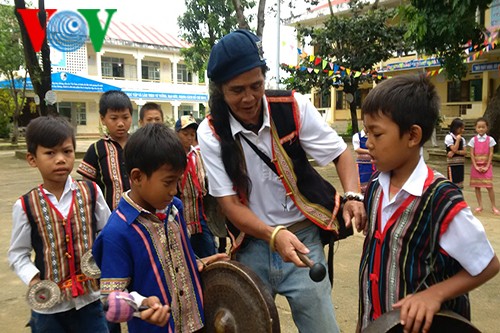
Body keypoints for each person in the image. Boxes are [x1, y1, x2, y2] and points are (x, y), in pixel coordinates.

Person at [197, 29, 366, 332]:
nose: (248, 98)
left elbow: (342, 154)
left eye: (256, 85)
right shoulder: (210, 131)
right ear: (220, 90)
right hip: (251, 245)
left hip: (304, 241)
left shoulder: (292, 106)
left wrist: (353, 195)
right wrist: (273, 236)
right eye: (237, 90)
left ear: (265, 78)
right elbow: (229, 205)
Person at [358, 74, 499, 332]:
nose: (369, 143)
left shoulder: (441, 199)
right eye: (367, 132)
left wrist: (435, 294)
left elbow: (487, 264)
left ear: (412, 136)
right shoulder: (376, 186)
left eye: (376, 134)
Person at [92, 123, 228, 333]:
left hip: (195, 323)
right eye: (168, 182)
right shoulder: (117, 233)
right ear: (137, 177)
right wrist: (142, 306)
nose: (174, 190)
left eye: (178, 181)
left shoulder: (175, 209)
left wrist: (197, 262)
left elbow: (178, 256)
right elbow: (109, 300)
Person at [8, 116, 111, 333]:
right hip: (49, 308)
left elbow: (107, 233)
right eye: (50, 153)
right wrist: (34, 279)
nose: (60, 159)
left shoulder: (91, 192)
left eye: (67, 151)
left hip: (90, 299)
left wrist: (104, 263)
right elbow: (18, 253)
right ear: (32, 159)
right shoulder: (26, 205)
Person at [77, 90, 132, 210]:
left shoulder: (139, 144)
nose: (120, 123)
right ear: (103, 119)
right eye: (114, 118)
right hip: (108, 216)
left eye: (125, 117)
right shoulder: (96, 149)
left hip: (139, 214)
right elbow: (87, 187)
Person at [175, 115, 217, 257]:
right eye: (185, 134)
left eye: (192, 134)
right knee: (186, 251)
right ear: (176, 134)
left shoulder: (198, 154)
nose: (189, 137)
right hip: (181, 210)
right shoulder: (173, 156)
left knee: (208, 247)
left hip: (200, 210)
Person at [468, 117, 500, 215]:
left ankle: (493, 206)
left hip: (487, 166)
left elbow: (491, 154)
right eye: (479, 127)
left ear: (487, 128)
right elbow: (472, 154)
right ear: (476, 128)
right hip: (476, 167)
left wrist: (486, 166)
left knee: (489, 186)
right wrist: (476, 166)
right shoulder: (473, 140)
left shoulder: (490, 140)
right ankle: (480, 205)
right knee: (477, 187)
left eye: (483, 127)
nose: (481, 129)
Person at [444, 117, 467, 188]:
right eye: (461, 128)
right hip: (452, 164)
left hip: (460, 164)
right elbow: (453, 148)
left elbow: (465, 152)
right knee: (452, 182)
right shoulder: (449, 137)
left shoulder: (462, 139)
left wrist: (455, 152)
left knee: (459, 182)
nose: (462, 130)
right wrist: (457, 140)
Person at [352, 128, 375, 194]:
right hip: (362, 164)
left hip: (372, 163)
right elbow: (357, 149)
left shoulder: (372, 136)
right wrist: (369, 151)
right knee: (362, 180)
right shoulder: (357, 136)